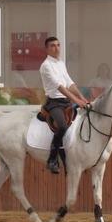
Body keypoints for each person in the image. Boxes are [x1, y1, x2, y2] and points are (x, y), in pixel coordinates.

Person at [39, 36, 90, 174]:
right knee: (62, 126)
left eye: (58, 45)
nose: (57, 48)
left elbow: (70, 83)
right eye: (53, 46)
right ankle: (52, 159)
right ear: (47, 49)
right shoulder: (45, 66)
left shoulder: (60, 63)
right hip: (54, 103)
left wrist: (82, 98)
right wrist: (77, 101)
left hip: (66, 102)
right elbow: (61, 87)